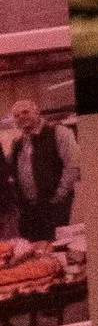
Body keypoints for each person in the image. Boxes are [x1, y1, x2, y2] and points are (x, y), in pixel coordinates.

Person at [0, 107, 73, 250]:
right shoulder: (18, 142)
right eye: (16, 115)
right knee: (33, 248)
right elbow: (9, 168)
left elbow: (72, 165)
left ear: (37, 112)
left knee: (57, 245)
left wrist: (60, 195)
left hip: (54, 204)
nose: (21, 116)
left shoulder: (58, 132)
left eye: (25, 112)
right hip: (29, 208)